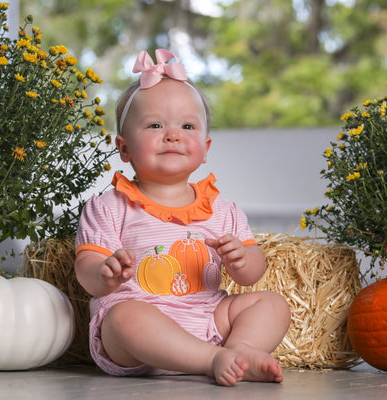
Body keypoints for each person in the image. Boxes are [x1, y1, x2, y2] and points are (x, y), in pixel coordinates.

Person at [74, 49, 291, 387]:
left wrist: (241, 260)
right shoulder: (108, 206)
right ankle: (213, 360)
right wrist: (105, 274)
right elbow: (86, 270)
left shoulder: (223, 210)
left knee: (272, 304)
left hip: (208, 319)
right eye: (155, 125)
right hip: (140, 335)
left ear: (205, 149)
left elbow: (252, 274)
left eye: (186, 125)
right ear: (124, 148)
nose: (172, 134)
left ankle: (240, 350)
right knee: (124, 317)